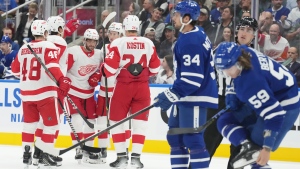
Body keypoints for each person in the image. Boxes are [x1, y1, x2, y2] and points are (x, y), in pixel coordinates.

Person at [214, 42, 300, 169]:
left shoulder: (251, 83)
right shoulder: (243, 51)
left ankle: (255, 152)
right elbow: (237, 78)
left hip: (285, 106)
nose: (226, 73)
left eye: (228, 68)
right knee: (225, 120)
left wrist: (267, 148)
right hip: (273, 92)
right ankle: (248, 147)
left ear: (238, 63)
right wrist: (232, 91)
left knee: (258, 149)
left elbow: (275, 115)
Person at [153, 1, 218, 169]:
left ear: (187, 18)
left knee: (193, 140)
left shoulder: (191, 41)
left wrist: (170, 93)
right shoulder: (193, 34)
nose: (172, 17)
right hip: (186, 95)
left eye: (176, 14)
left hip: (196, 95)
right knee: (175, 138)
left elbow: (193, 79)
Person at [10, 20, 71, 168]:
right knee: (52, 126)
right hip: (45, 93)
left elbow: (15, 70)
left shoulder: (24, 47)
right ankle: (43, 154)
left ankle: (27, 155)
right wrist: (62, 80)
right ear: (45, 33)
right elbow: (52, 66)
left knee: (29, 126)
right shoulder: (48, 45)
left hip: (26, 94)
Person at [103, 15, 161, 168]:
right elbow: (155, 69)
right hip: (142, 88)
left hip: (123, 87)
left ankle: (121, 157)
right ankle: (136, 158)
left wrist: (105, 65)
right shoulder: (148, 43)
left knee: (116, 122)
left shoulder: (118, 42)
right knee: (140, 124)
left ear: (124, 27)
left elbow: (108, 70)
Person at [204, 17, 259, 169]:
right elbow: (207, 72)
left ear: (253, 35)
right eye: (242, 29)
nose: (244, 33)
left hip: (243, 106)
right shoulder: (222, 49)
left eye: (249, 30)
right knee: (208, 143)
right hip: (219, 102)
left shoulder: (256, 57)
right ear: (236, 32)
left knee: (238, 149)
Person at [31, 15, 69, 166]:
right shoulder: (59, 41)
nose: (65, 30)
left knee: (43, 122)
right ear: (59, 29)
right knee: (54, 124)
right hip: (56, 86)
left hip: (43, 85)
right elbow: (54, 63)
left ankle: (38, 153)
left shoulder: (43, 41)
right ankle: (46, 153)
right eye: (63, 27)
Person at [88, 22, 125, 164]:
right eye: (110, 33)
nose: (111, 36)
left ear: (120, 34)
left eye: (114, 33)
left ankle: (123, 150)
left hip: (118, 90)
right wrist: (98, 73)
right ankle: (103, 149)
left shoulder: (123, 46)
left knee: (120, 121)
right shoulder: (104, 47)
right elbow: (101, 66)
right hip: (104, 89)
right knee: (102, 119)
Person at [66, 28, 102, 163]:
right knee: (76, 119)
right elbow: (63, 69)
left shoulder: (99, 54)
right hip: (73, 92)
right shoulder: (74, 52)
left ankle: (88, 148)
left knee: (92, 121)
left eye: (94, 41)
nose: (92, 44)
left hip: (89, 93)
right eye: (90, 40)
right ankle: (78, 147)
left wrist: (97, 74)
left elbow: (104, 67)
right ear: (84, 40)